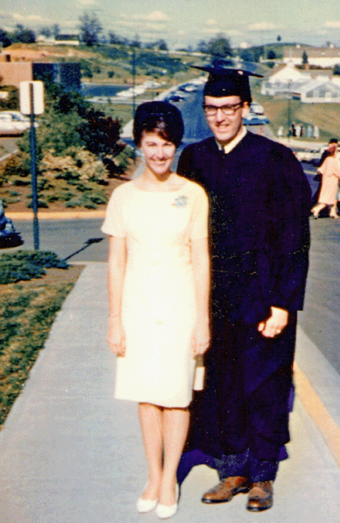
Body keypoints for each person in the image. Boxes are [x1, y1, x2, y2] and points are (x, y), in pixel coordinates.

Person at [175, 66, 311, 513]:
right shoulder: (194, 159)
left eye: (229, 108)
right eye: (212, 109)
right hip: (214, 298)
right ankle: (231, 470)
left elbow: (294, 237)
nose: (220, 117)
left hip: (263, 295)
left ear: (246, 109)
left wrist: (283, 303)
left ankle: (262, 475)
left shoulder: (275, 159)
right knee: (222, 384)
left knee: (266, 386)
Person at [102, 101, 210, 520]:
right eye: (152, 144)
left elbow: (200, 258)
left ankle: (170, 480)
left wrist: (202, 318)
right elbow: (115, 262)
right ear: (139, 145)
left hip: (181, 306)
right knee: (147, 396)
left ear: (176, 146)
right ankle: (153, 474)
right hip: (138, 307)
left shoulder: (191, 194)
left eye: (167, 144)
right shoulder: (123, 197)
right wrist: (114, 320)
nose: (160, 153)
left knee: (177, 395)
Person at [311, 138, 340, 219]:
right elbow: (338, 171)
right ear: (334, 152)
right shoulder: (332, 160)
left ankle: (333, 212)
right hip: (332, 181)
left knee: (334, 196)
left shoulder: (327, 159)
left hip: (326, 180)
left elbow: (320, 170)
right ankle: (316, 209)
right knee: (328, 198)